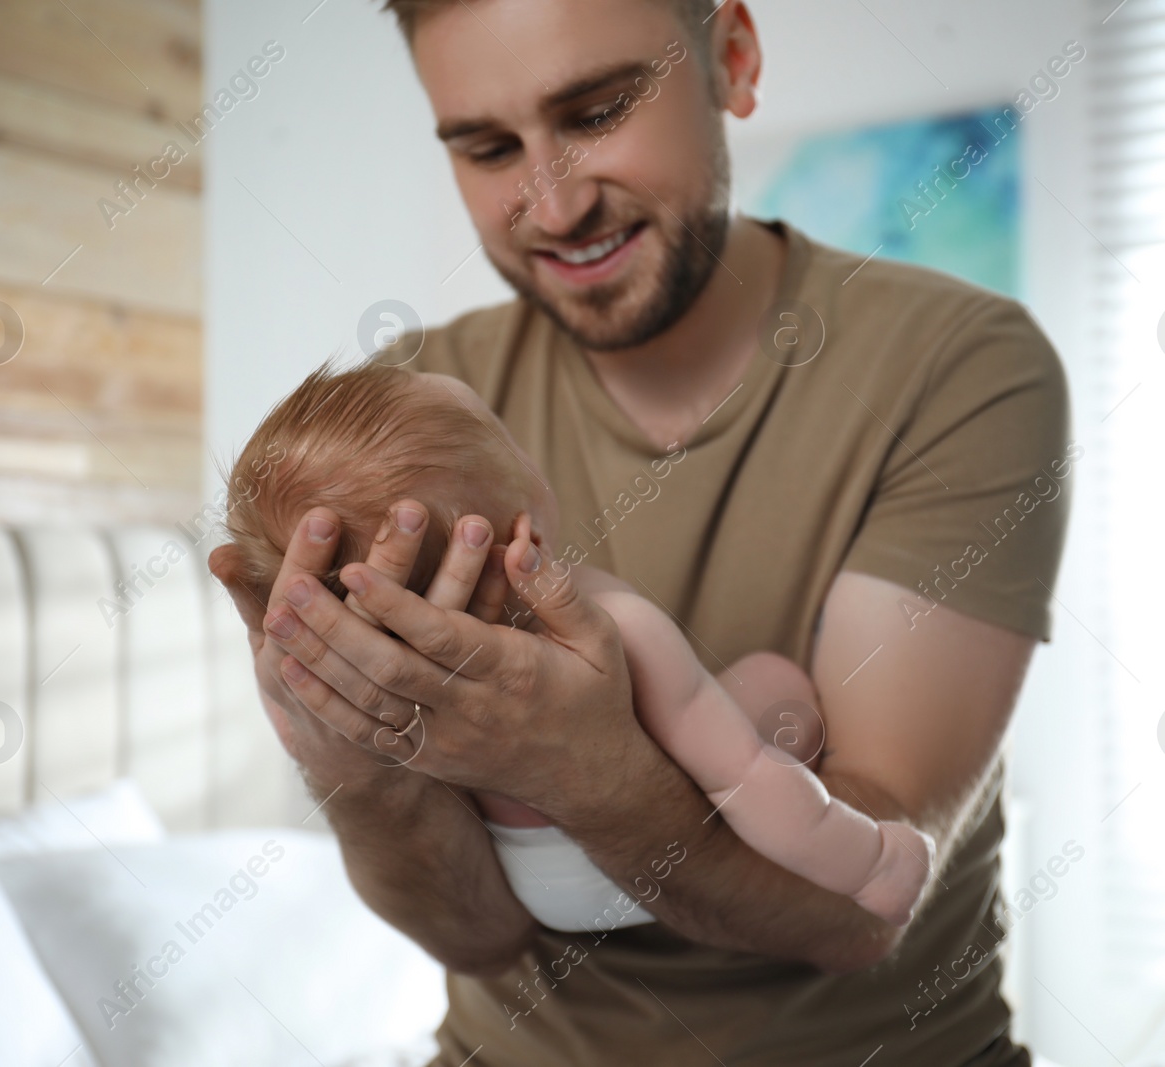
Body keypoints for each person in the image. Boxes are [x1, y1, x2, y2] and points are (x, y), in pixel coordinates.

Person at [208, 0, 1074, 1063]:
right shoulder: (416, 411)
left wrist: (583, 766)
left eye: (599, 109)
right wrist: (363, 764)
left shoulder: (957, 366)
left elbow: (861, 909)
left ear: (734, 59)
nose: (555, 203)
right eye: (487, 146)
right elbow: (476, 934)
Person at [217, 359, 936, 929]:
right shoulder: (613, 619)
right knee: (771, 682)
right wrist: (873, 863)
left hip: (526, 881)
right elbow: (744, 774)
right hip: (637, 863)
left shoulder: (353, 685)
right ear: (527, 519)